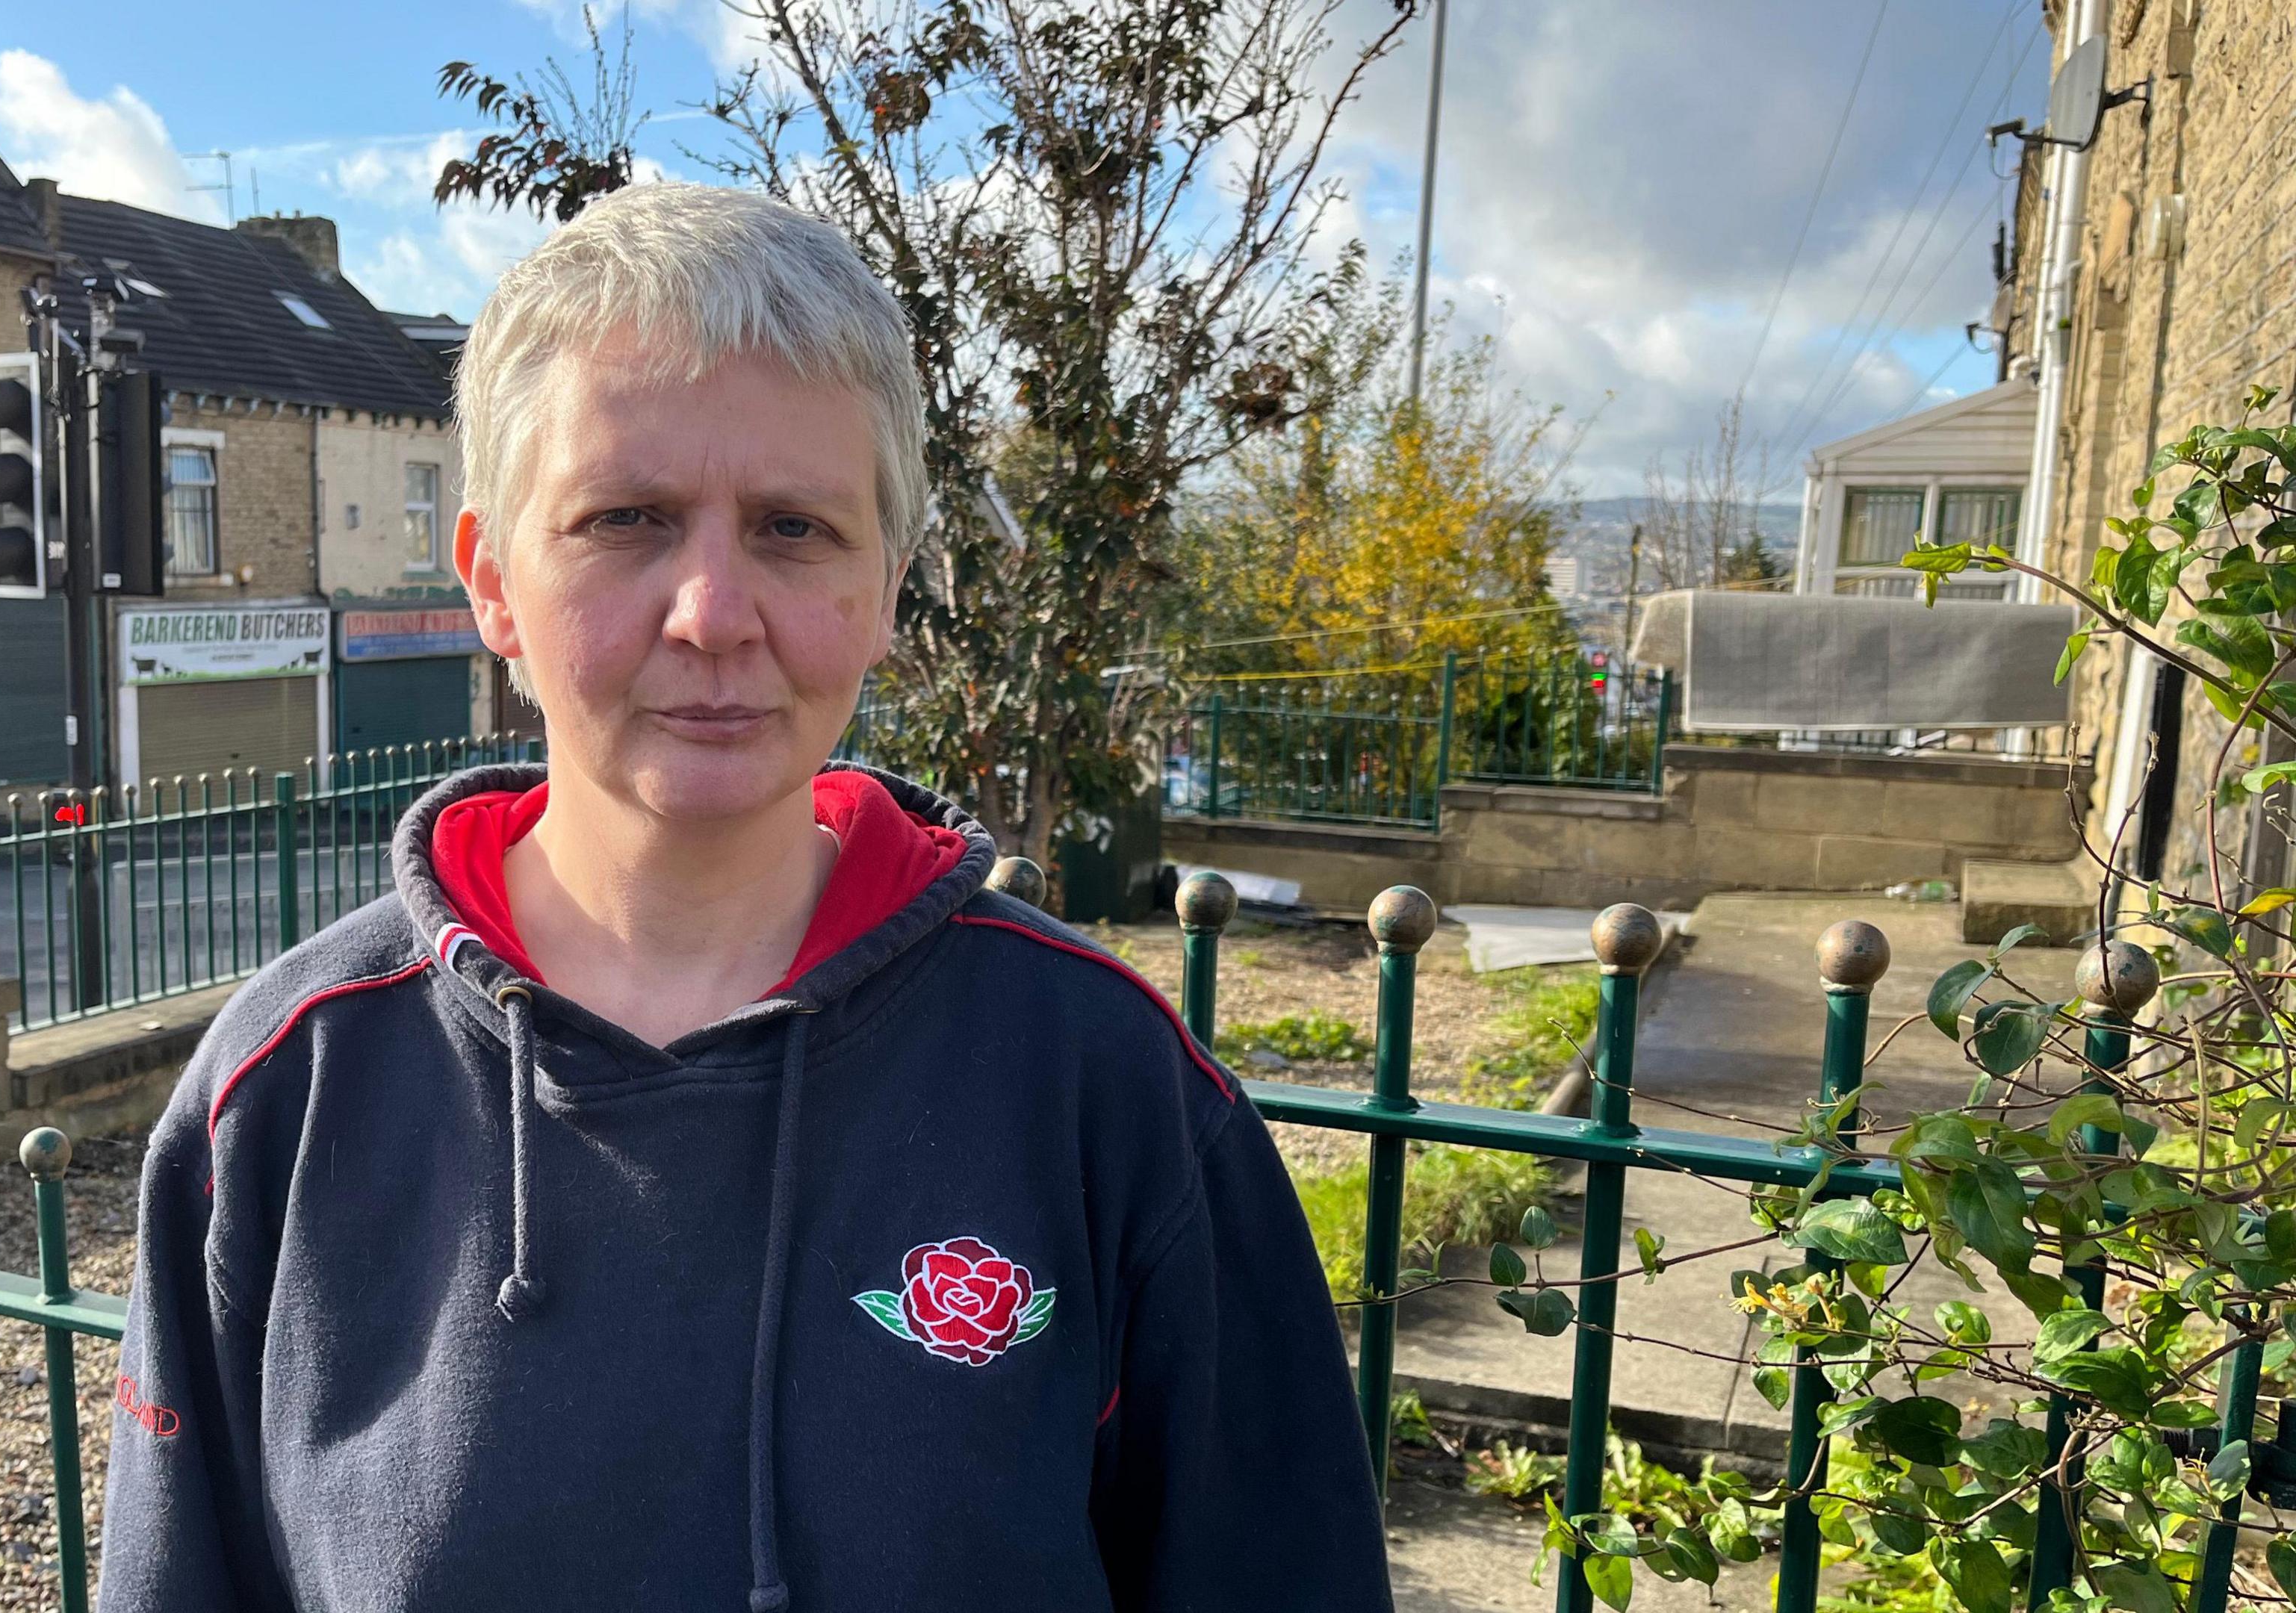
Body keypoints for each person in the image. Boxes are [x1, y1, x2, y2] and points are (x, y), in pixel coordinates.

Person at [99, 182, 1391, 1612]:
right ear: (492, 581)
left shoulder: (1109, 1090)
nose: (713, 612)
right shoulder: (285, 1091)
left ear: (890, 585)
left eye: (793, 528)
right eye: (627, 518)